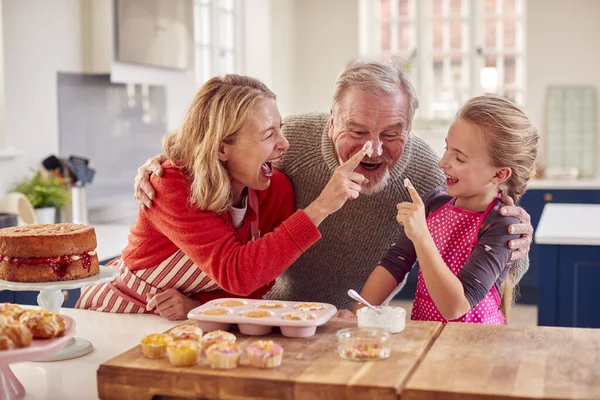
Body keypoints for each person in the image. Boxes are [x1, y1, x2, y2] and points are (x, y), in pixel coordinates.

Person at [134, 59, 534, 310]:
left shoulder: (429, 173)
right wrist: (169, 162)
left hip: (355, 322)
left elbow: (484, 263)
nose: (373, 148)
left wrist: (517, 244)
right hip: (271, 313)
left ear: (409, 129)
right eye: (357, 129)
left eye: (392, 132)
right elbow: (221, 148)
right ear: (331, 120)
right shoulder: (287, 144)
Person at [76, 74, 371, 320]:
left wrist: (200, 306)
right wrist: (320, 207)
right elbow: (237, 272)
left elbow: (258, 280)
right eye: (269, 135)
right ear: (220, 149)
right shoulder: (171, 184)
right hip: (120, 313)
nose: (285, 145)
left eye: (280, 130)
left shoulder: (274, 188)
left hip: (191, 323)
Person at [353, 96, 539, 324]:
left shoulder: (502, 225)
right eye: (446, 148)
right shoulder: (434, 202)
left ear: (499, 175)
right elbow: (395, 262)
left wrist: (421, 236)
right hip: (427, 333)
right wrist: (357, 315)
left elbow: (456, 306)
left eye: (459, 158)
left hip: (475, 346)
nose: (442, 162)